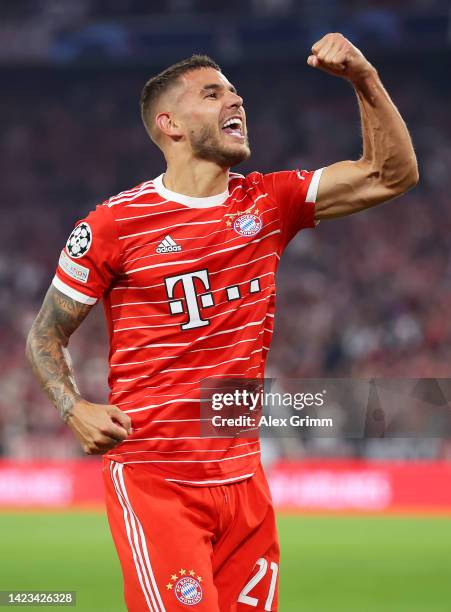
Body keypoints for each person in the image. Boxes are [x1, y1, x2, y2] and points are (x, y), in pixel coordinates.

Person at [26, 33, 418, 611]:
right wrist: (72, 405)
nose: (235, 101)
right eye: (212, 94)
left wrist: (364, 77)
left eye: (235, 92)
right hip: (157, 479)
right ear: (171, 125)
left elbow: (391, 175)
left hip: (244, 482)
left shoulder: (269, 202)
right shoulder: (114, 223)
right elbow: (45, 335)